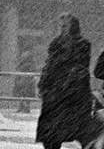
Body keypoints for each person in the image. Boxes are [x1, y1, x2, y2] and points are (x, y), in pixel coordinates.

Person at [36, 13, 93, 149]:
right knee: (51, 134)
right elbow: (49, 64)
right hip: (55, 93)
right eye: (60, 25)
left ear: (73, 26)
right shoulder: (56, 43)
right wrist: (43, 84)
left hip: (73, 94)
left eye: (65, 25)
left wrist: (65, 81)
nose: (62, 28)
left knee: (79, 131)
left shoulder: (83, 44)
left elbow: (80, 67)